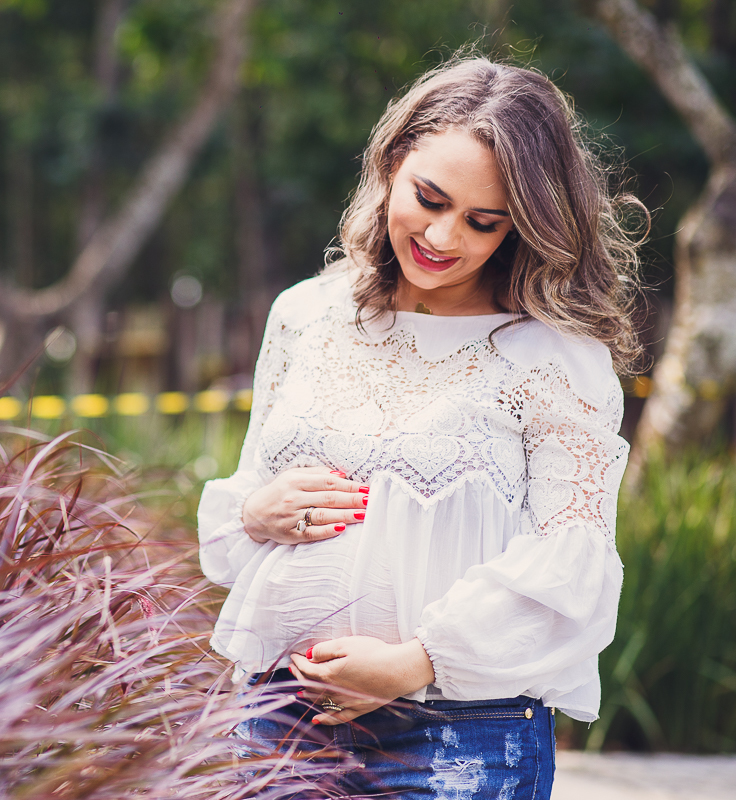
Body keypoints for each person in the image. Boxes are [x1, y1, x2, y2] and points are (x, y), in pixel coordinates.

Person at [197, 54, 647, 799]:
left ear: (522, 226)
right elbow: (246, 500)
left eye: (482, 222)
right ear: (391, 163)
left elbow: (573, 562)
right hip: (277, 719)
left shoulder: (556, 356)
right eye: (429, 199)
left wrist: (414, 662)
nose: (443, 236)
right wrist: (253, 512)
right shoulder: (305, 315)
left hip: (463, 734)